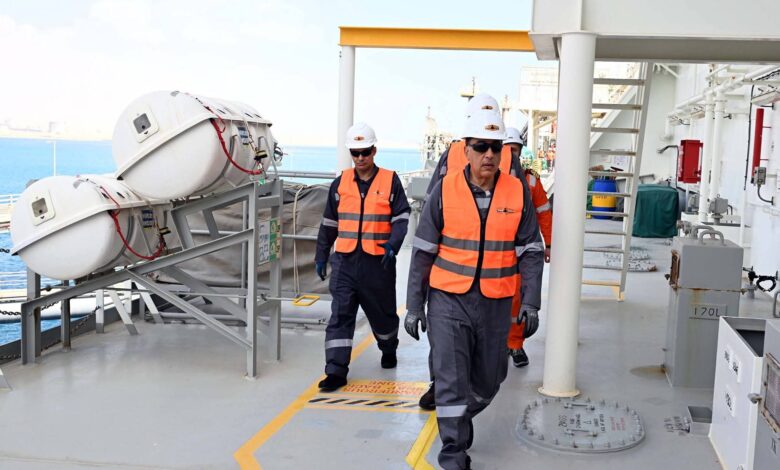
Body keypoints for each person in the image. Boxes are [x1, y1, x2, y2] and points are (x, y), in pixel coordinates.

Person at [405, 112, 544, 469]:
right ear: (466, 150)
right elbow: (423, 251)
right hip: (447, 300)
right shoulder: (444, 190)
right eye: (481, 147)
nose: (489, 155)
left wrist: (530, 301)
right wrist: (414, 305)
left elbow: (531, 249)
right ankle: (452, 452)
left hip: (495, 302)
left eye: (496, 147)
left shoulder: (517, 191)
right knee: (450, 379)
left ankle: (459, 417)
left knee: (491, 378)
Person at [314, 122, 411, 392]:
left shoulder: (390, 181)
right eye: (355, 153)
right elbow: (329, 223)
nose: (360, 158)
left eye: (365, 152)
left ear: (374, 151)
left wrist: (393, 245)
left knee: (383, 315)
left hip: (378, 263)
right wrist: (321, 254)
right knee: (340, 315)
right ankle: (335, 371)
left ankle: (388, 346)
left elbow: (401, 216)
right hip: (344, 262)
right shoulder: (340, 183)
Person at [504, 126, 553, 367]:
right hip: (494, 250)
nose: (511, 155)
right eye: (507, 150)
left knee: (518, 299)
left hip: (522, 251)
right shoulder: (488, 180)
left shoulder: (531, 180)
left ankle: (515, 345)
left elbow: (543, 212)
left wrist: (549, 243)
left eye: (515, 150)